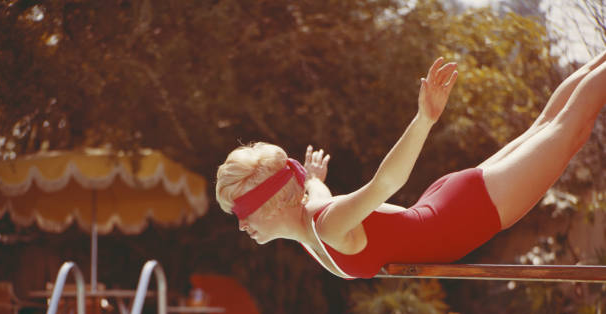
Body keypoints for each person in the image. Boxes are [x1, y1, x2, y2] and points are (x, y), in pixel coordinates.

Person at [216, 53, 606, 279]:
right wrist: (314, 178)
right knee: (551, 123)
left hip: (464, 214)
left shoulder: (327, 225)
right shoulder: (311, 217)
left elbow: (387, 181)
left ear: (276, 203)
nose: (241, 224)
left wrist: (424, 119)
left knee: (568, 128)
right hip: (447, 205)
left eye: (244, 211)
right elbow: (316, 191)